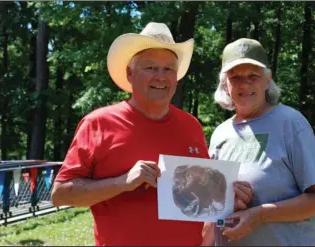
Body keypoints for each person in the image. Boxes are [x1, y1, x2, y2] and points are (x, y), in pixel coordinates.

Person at [50, 22, 251, 246]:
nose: (160, 77)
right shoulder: (98, 123)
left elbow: (200, 197)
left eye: (168, 69)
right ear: (130, 73)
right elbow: (60, 194)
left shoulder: (191, 126)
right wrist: (122, 182)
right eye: (150, 68)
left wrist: (226, 194)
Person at [203, 38, 315, 246]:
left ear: (267, 79)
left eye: (253, 76)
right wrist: (227, 201)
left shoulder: (291, 123)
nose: (244, 84)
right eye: (235, 77)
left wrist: (260, 215)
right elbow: (210, 212)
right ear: (225, 84)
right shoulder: (220, 134)